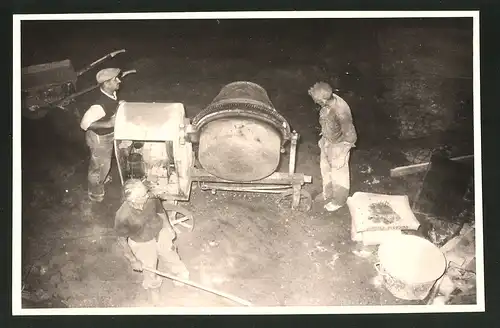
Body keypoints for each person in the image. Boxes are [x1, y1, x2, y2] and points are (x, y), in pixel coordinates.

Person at [114, 179, 190, 305]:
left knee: (171, 255)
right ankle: (153, 288)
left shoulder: (151, 198)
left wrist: (168, 227)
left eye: (147, 192)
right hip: (141, 242)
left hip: (159, 232)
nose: (148, 195)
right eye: (144, 195)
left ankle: (181, 276)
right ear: (133, 200)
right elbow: (121, 239)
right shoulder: (122, 215)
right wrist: (133, 259)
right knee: (149, 269)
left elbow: (161, 212)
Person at [308, 82, 357, 212]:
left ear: (324, 99)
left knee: (339, 173)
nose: (315, 102)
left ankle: (339, 200)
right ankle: (328, 194)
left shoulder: (341, 111)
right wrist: (323, 138)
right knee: (325, 168)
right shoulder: (327, 102)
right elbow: (327, 120)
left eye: (317, 101)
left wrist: (342, 155)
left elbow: (351, 137)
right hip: (327, 140)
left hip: (340, 144)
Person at [80, 68, 123, 202]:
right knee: (99, 167)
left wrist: (119, 105)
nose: (119, 80)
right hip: (99, 139)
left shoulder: (111, 93)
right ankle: (95, 193)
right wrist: (109, 124)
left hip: (107, 136)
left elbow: (110, 107)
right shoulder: (99, 105)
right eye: (115, 79)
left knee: (104, 163)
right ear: (106, 84)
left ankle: (102, 176)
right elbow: (84, 124)